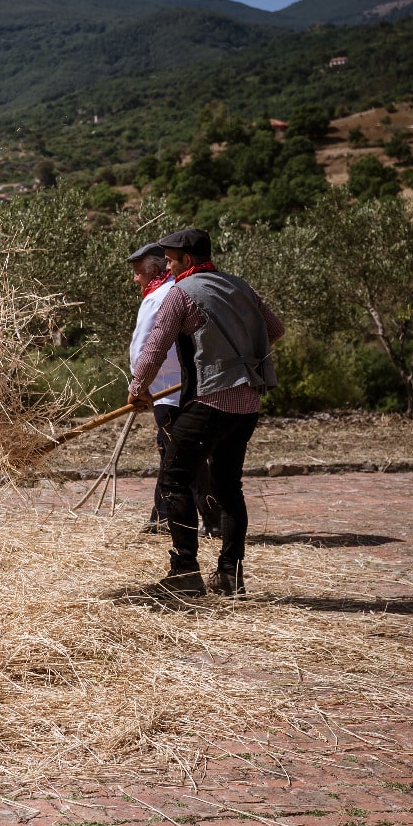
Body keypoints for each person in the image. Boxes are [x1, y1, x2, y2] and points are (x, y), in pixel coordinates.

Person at [128, 228, 284, 598]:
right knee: (229, 488)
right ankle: (230, 575)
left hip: (211, 401)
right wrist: (241, 357)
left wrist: (138, 389)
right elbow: (275, 329)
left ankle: (184, 572)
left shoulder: (180, 295)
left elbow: (154, 348)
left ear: (185, 260)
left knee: (174, 478)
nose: (167, 264)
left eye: (169, 259)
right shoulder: (239, 286)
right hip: (247, 405)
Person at [126, 242, 221, 537]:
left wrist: (138, 385)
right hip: (171, 387)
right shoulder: (172, 291)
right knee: (170, 452)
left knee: (180, 456)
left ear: (152, 270)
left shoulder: (160, 298)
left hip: (169, 389)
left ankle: (211, 517)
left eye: (138, 273)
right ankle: (162, 516)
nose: (135, 279)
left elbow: (146, 346)